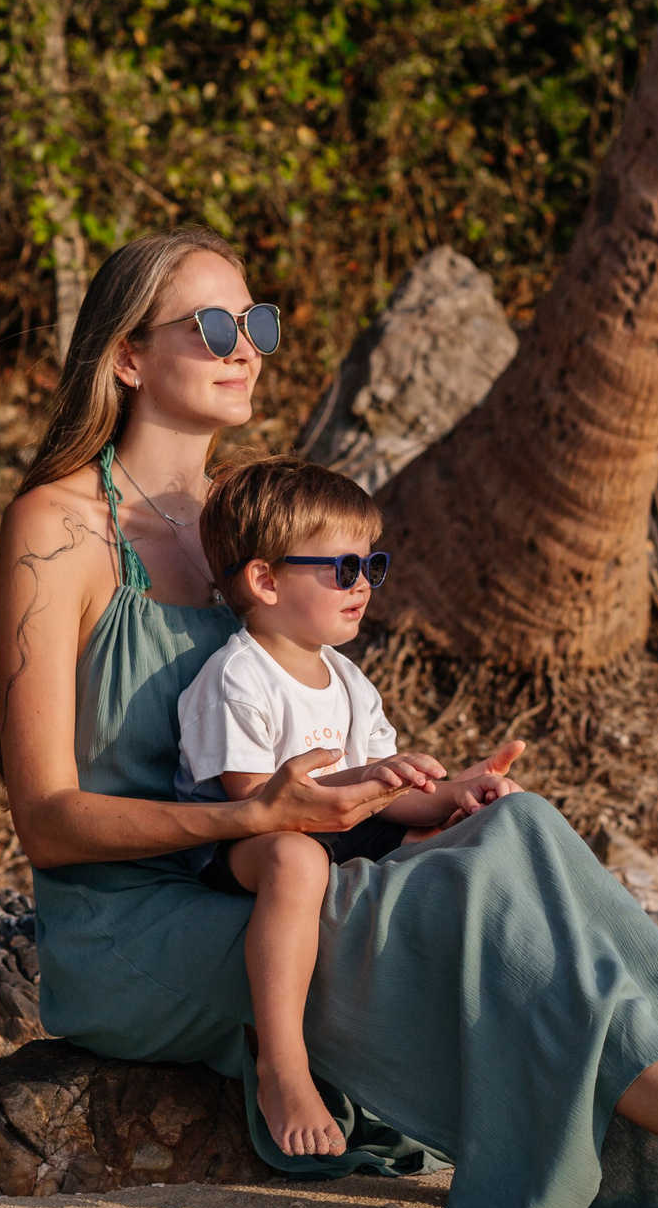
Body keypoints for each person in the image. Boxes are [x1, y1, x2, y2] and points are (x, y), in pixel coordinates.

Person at [0, 225, 658, 1208]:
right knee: (468, 906)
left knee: (518, 831)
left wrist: (416, 789)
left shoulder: (252, 529)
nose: (247, 346)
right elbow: (46, 823)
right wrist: (256, 811)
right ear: (125, 355)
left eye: (256, 322)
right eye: (213, 325)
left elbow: (315, 726)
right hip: (139, 929)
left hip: (278, 866)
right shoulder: (58, 530)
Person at [179, 456, 520, 1157]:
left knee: (462, 841)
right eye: (341, 569)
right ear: (265, 580)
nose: (362, 584)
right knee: (297, 858)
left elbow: (389, 798)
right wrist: (368, 784)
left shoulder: (349, 678)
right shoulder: (237, 675)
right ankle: (283, 1064)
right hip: (245, 844)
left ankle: (482, 1047)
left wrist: (454, 791)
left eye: (371, 565)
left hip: (341, 828)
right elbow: (253, 801)